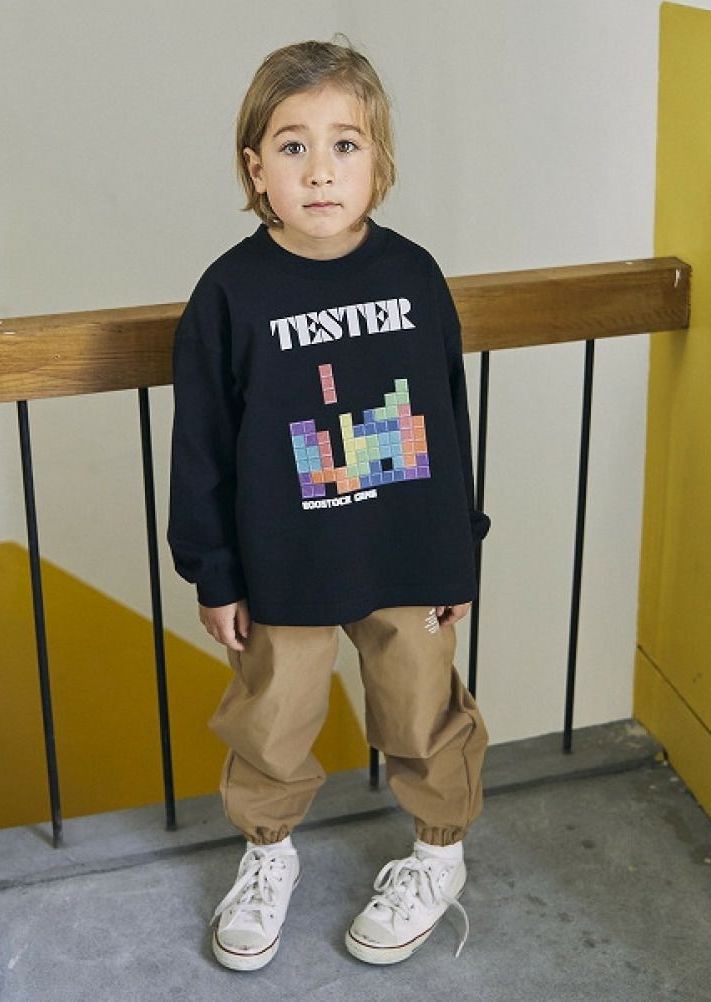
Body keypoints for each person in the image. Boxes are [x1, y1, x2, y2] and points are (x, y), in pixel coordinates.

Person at [168, 37, 490, 972]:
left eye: (345, 144)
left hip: (406, 551)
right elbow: (201, 448)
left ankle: (439, 857)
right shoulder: (228, 294)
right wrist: (215, 572)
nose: (319, 171)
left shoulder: (414, 276)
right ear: (255, 169)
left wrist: (459, 549)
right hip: (284, 563)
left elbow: (448, 417)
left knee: (422, 708)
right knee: (273, 718)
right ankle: (268, 856)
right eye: (293, 145)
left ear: (378, 161)